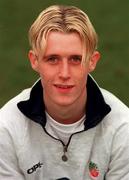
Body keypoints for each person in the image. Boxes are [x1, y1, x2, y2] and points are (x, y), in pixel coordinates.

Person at [0, 5, 129, 180]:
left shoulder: (123, 127)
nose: (64, 74)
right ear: (34, 61)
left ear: (92, 61)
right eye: (52, 59)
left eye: (76, 59)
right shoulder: (6, 127)